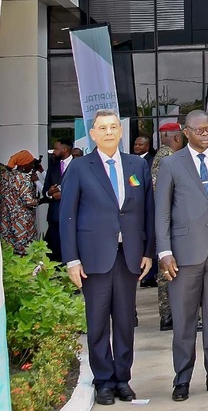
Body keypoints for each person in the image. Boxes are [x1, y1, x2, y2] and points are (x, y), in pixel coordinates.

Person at [60, 110, 154, 405]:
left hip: (128, 255)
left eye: (114, 127)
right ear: (93, 134)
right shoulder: (79, 167)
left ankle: (122, 378)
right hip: (93, 257)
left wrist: (148, 251)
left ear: (121, 131)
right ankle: (103, 380)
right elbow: (67, 216)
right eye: (103, 128)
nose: (109, 132)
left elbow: (148, 211)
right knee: (98, 321)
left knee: (125, 321)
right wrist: (72, 260)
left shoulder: (137, 165)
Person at [154, 111, 208, 401]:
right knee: (184, 320)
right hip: (184, 254)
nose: (206, 133)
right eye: (199, 129)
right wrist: (164, 251)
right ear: (186, 132)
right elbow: (162, 211)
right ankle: (182, 378)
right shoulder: (171, 164)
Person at [153, 123, 187, 329]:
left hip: (164, 222)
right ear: (176, 138)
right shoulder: (170, 159)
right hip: (173, 223)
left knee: (166, 271)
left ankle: (167, 316)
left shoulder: (159, 157)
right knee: (173, 271)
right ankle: (175, 316)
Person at [1, 151, 41, 254]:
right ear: (24, 165)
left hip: (6, 219)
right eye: (31, 164)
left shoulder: (5, 177)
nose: (32, 167)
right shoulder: (24, 179)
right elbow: (29, 202)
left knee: (9, 251)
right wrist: (40, 201)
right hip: (22, 221)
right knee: (25, 251)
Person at [40, 138, 74, 261]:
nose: (53, 151)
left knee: (70, 249)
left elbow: (85, 191)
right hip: (55, 216)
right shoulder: (53, 167)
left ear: (64, 150)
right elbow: (45, 191)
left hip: (73, 215)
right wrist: (49, 193)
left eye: (56, 149)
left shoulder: (79, 165)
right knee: (53, 251)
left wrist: (64, 195)